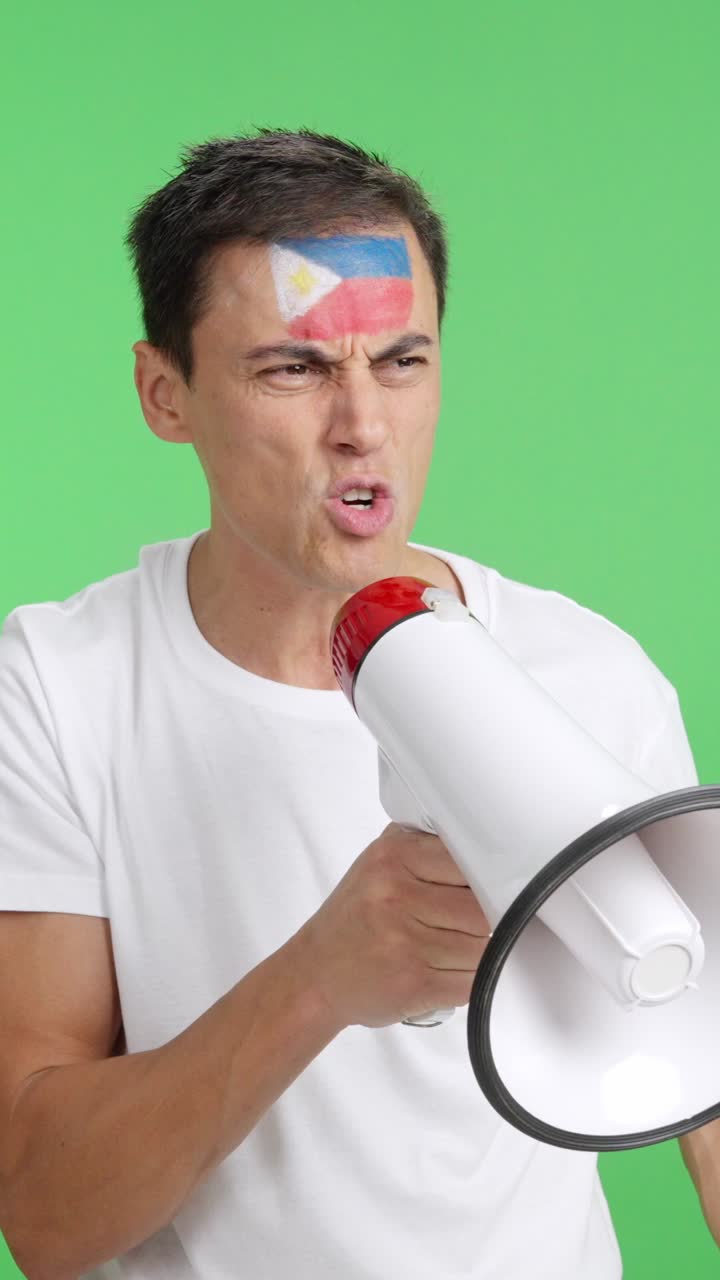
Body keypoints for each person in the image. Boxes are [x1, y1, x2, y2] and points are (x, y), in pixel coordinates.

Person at [0, 128, 717, 1280]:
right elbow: (43, 1214)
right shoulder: (58, 685)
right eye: (293, 368)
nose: (363, 425)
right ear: (164, 392)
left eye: (402, 360)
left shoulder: (590, 674)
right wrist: (327, 975)